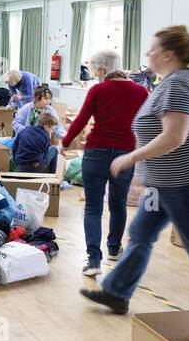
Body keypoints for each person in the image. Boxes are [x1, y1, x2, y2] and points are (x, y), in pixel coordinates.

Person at [80, 26, 189, 338]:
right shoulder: (174, 82)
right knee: (141, 233)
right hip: (168, 181)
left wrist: (130, 158)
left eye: (152, 48)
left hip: (186, 181)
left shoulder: (179, 85)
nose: (147, 54)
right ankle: (118, 292)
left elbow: (174, 137)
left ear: (167, 55)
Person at [61, 65, 149, 276]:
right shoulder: (141, 91)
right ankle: (113, 249)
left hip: (96, 151)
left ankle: (93, 260)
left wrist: (64, 143)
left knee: (93, 207)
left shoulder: (98, 89)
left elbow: (81, 119)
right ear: (125, 77)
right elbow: (148, 122)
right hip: (125, 153)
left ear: (108, 77)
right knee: (118, 203)